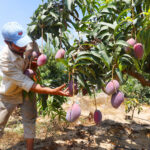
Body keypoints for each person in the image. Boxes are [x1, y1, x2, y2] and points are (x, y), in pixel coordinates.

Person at [0, 22, 70, 150]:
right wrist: (50, 91)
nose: (24, 46)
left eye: (24, 42)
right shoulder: (4, 59)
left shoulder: (30, 44)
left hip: (28, 90)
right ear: (7, 43)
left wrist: (33, 66)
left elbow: (36, 61)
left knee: (30, 119)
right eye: (19, 44)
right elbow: (25, 83)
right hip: (10, 92)